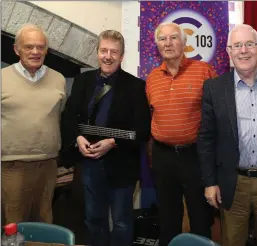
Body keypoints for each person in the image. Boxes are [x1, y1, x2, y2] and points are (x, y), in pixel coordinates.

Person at [197, 24, 257, 246]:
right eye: (237, 45)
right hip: (233, 183)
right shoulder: (214, 88)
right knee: (232, 241)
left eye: (249, 44)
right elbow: (206, 138)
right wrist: (210, 182)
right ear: (229, 51)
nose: (243, 50)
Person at [60, 30, 151, 246]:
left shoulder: (136, 87)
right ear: (97, 52)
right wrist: (77, 138)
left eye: (114, 52)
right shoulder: (82, 81)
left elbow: (142, 130)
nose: (108, 56)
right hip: (89, 164)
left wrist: (113, 142)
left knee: (121, 222)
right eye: (103, 50)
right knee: (94, 219)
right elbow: (69, 116)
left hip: (122, 166)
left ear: (122, 56)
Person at [146, 22, 217, 246]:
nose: (168, 43)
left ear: (184, 42)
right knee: (168, 219)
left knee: (200, 218)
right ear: (156, 44)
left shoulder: (204, 71)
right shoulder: (152, 79)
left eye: (174, 38)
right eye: (163, 39)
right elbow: (152, 115)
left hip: (194, 156)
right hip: (163, 157)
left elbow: (217, 114)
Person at [1, 23, 66, 224]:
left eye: (40, 47)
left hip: (48, 164)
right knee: (14, 223)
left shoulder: (58, 79)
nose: (35, 51)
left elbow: (60, 115)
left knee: (44, 219)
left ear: (46, 50)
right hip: (11, 165)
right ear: (16, 49)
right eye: (29, 46)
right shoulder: (2, 78)